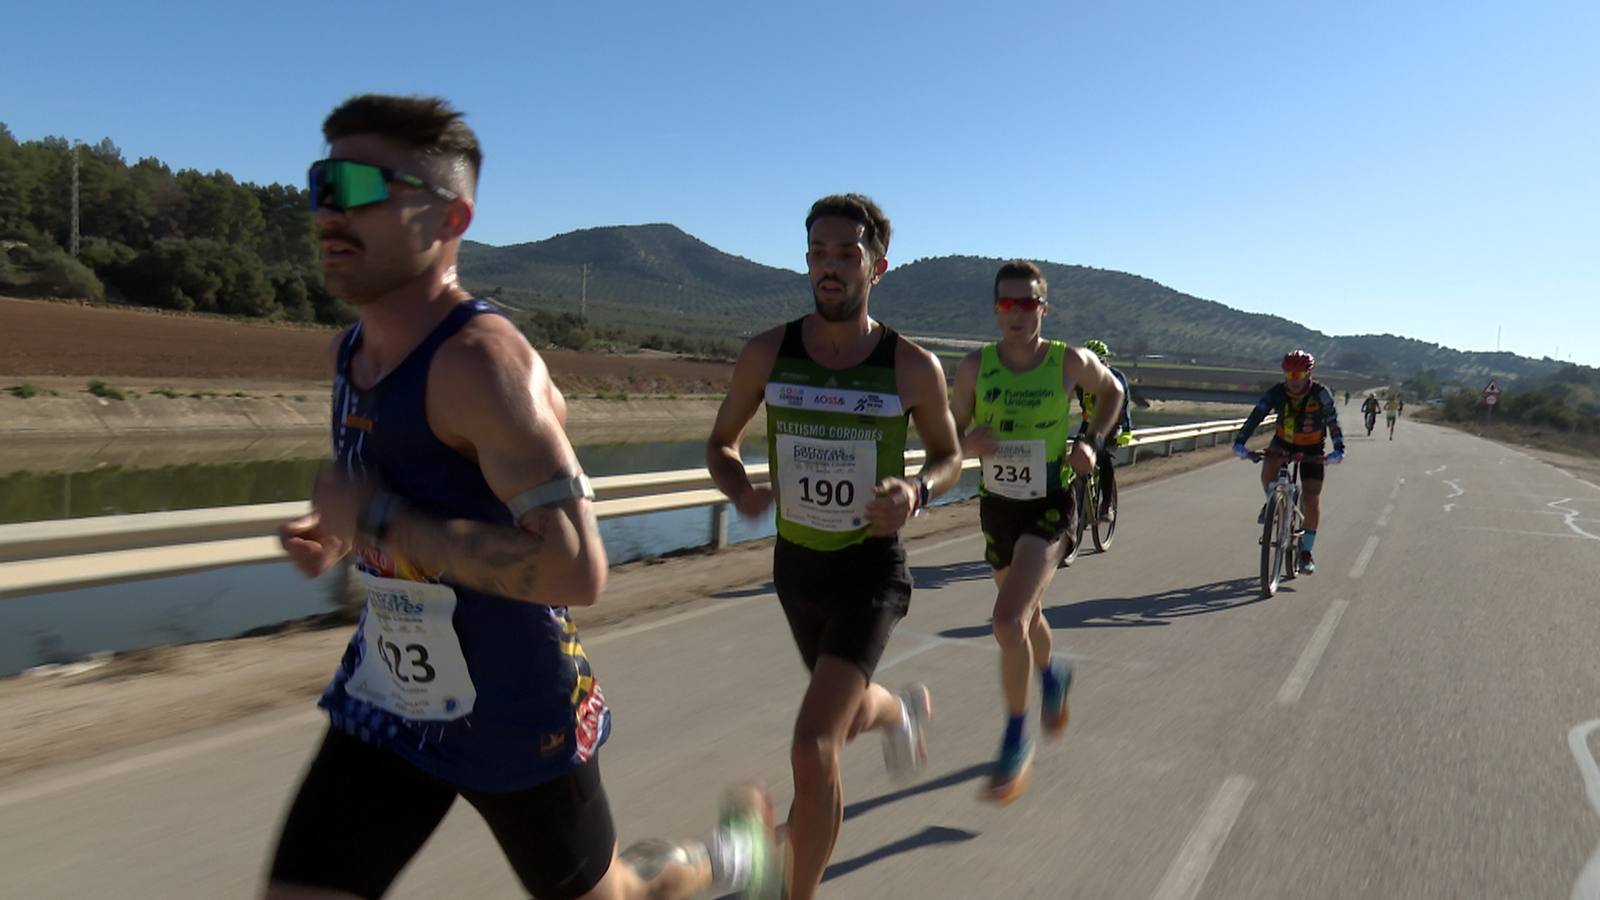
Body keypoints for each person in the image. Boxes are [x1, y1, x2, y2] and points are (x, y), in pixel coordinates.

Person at [266, 94, 779, 900]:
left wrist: (373, 517)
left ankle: (723, 860)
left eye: (360, 185)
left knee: (609, 893)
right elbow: (399, 496)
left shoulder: (484, 365)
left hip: (512, 707)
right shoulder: (352, 351)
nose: (330, 208)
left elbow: (576, 570)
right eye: (320, 183)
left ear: (449, 218)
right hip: (393, 691)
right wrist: (337, 535)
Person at [706, 193, 963, 900]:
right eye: (818, 252)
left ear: (876, 266)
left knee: (813, 745)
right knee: (841, 721)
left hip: (871, 571)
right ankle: (900, 712)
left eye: (846, 254)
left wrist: (916, 492)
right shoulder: (769, 353)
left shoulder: (910, 366)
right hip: (796, 570)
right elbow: (720, 444)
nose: (829, 267)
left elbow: (947, 455)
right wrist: (740, 489)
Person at [949, 263, 1125, 803]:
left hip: (1051, 504)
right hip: (998, 507)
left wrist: (1092, 440)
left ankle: (1016, 735)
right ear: (996, 309)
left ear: (1043, 309)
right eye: (1007, 304)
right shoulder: (976, 366)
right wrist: (966, 441)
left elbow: (1113, 392)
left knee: (1007, 620)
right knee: (1027, 617)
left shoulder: (1067, 360)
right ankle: (1054, 677)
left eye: (1028, 304)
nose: (1017, 313)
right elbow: (950, 431)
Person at [1232, 350, 1345, 574]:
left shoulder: (1320, 393)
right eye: (1290, 374)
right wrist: (1240, 443)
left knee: (1311, 497)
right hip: (1283, 442)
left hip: (1313, 447)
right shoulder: (1277, 392)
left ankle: (1306, 552)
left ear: (1309, 374)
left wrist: (1339, 449)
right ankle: (1272, 503)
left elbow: (1332, 420)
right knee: (1268, 469)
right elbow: (1257, 415)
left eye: (1300, 374)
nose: (1294, 380)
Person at [1077, 339, 1134, 525]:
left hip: (1112, 424)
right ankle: (1077, 497)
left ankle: (1106, 504)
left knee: (1103, 456)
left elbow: (1124, 407)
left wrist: (1126, 430)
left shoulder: (1116, 378)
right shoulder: (1081, 380)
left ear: (1105, 360)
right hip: (1089, 423)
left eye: (1098, 361)